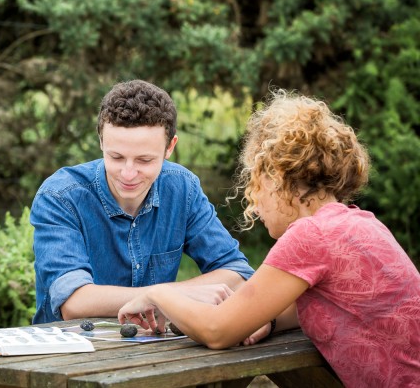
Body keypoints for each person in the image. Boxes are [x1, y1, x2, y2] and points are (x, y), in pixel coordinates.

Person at [118, 90, 420, 387]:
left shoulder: (309, 236)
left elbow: (216, 331)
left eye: (254, 183)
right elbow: (322, 306)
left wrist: (158, 294)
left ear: (274, 177)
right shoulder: (361, 224)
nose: (255, 203)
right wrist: (269, 320)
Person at [31, 79, 255, 324]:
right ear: (101, 141)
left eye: (144, 160)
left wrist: (162, 297)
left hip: (158, 351)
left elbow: (236, 273)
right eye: (116, 157)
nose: (128, 173)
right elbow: (74, 302)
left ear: (170, 147)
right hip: (70, 355)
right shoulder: (60, 196)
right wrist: (166, 296)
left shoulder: (183, 188)